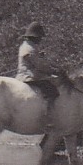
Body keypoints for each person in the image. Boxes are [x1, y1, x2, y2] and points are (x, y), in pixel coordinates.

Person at [18, 22, 65, 151]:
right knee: (52, 92)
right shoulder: (30, 49)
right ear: (34, 37)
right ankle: (48, 119)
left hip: (30, 74)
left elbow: (40, 62)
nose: (40, 40)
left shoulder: (28, 46)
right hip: (30, 76)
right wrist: (56, 71)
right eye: (39, 37)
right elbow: (40, 66)